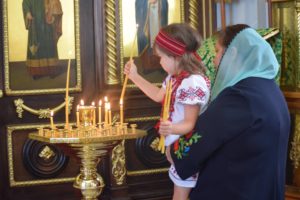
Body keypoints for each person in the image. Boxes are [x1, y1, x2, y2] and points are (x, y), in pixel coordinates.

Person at [160, 24, 291, 199]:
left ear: (233, 54)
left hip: (237, 191)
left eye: (218, 52)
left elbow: (202, 137)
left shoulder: (239, 97)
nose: (214, 62)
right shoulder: (270, 88)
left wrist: (174, 152)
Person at [124, 23, 210, 200]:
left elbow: (189, 123)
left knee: (180, 195)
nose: (160, 62)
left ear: (175, 56)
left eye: (161, 58)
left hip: (189, 150)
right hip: (180, 149)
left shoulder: (192, 82)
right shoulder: (175, 78)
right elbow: (158, 95)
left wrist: (170, 129)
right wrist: (134, 76)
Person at [22, 0, 63, 78]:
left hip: (48, 21)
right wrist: (27, 12)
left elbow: (55, 2)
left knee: (49, 44)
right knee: (36, 47)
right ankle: (37, 72)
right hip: (35, 21)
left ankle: (52, 70)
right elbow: (25, 2)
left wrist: (53, 11)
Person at [135, 0, 168, 73]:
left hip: (158, 21)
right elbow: (139, 4)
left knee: (159, 41)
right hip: (147, 24)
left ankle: (160, 66)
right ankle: (147, 67)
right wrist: (147, 2)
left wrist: (159, 2)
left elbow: (164, 4)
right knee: (147, 41)